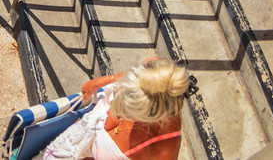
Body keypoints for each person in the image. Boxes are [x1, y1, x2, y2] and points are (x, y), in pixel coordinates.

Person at [41, 57, 189, 160]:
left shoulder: (163, 150)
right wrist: (105, 80)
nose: (118, 112)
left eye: (127, 111)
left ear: (148, 116)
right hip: (65, 144)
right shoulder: (157, 75)